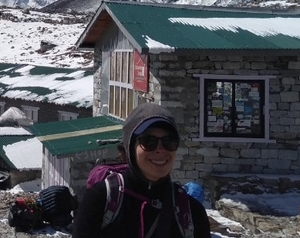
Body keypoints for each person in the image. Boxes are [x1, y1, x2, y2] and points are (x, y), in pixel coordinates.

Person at [73, 102, 210, 238]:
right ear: (130, 149)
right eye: (149, 141)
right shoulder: (100, 200)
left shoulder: (191, 212)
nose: (160, 149)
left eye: (169, 141)